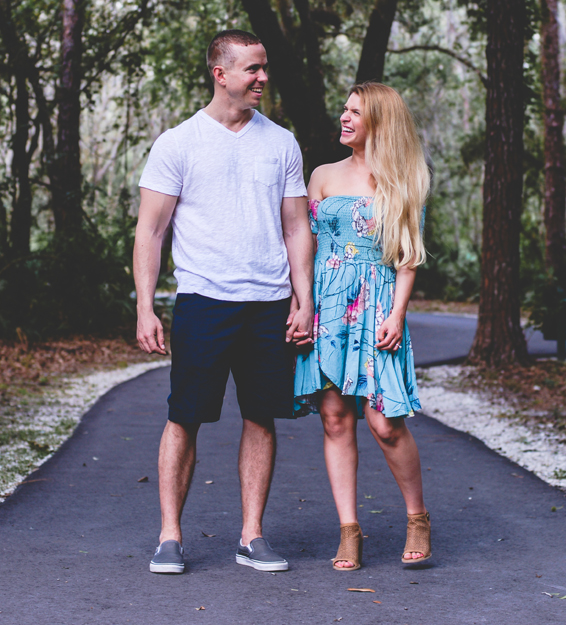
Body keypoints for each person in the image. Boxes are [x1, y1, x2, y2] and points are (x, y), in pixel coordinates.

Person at [133, 29, 315, 575]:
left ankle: (252, 536)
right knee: (184, 417)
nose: (262, 78)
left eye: (264, 68)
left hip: (267, 303)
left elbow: (296, 228)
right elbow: (150, 231)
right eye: (252, 69)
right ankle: (170, 536)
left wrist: (302, 300)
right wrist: (145, 307)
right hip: (203, 301)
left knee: (261, 416)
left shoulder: (281, 142)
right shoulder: (177, 143)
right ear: (221, 73)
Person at [294, 82, 431, 571]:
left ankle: (417, 518)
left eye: (356, 112)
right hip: (328, 306)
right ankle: (349, 529)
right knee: (334, 418)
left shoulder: (401, 179)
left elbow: (408, 257)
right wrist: (301, 305)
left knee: (384, 422)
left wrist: (397, 313)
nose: (345, 118)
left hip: (376, 307)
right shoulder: (323, 175)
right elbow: (304, 247)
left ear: (379, 122)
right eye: (345, 110)